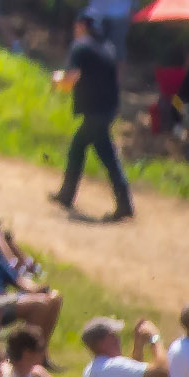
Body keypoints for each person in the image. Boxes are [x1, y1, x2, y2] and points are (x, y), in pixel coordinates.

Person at [51, 12, 133, 221]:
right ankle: (123, 204)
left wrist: (57, 80)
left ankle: (67, 195)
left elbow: (71, 77)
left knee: (82, 148)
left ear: (81, 26)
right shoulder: (107, 47)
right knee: (103, 154)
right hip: (108, 109)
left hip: (95, 111)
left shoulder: (81, 46)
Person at [82, 316, 168, 377]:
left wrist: (138, 344)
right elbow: (162, 371)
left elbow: (131, 374)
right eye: (113, 336)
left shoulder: (91, 369)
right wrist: (154, 337)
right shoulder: (114, 367)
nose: (118, 339)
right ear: (101, 343)